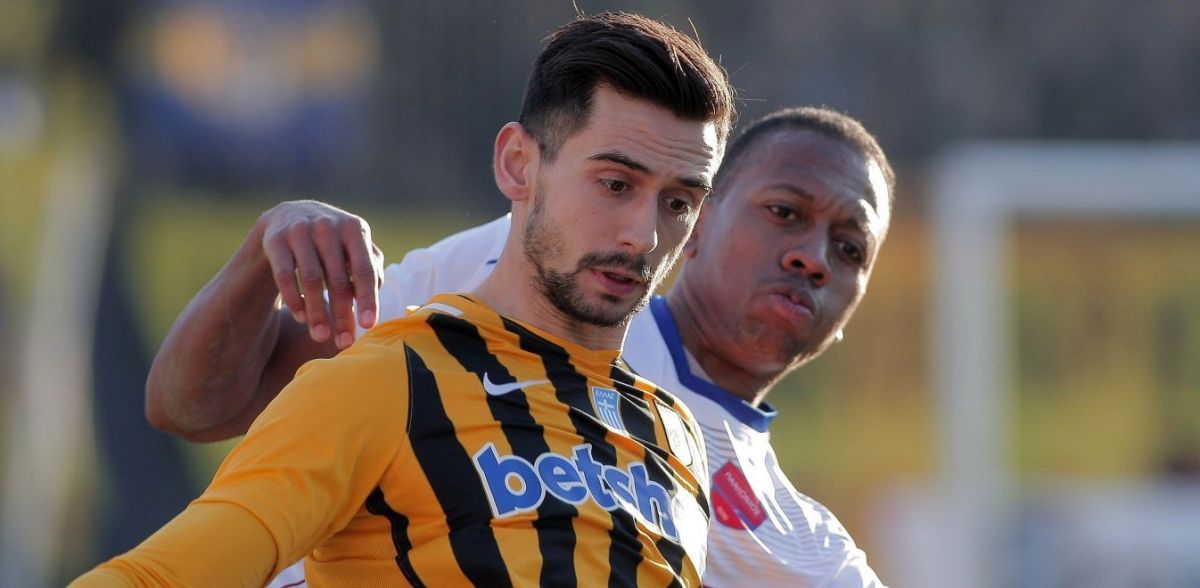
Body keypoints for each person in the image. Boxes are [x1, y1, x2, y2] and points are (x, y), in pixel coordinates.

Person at [73, 11, 735, 586]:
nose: (644, 235)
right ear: (517, 165)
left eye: (678, 202)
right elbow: (157, 575)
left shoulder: (676, 435)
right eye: (616, 184)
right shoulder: (386, 381)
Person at [151, 104, 894, 587]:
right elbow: (194, 406)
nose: (812, 257)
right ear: (696, 220)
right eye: (784, 212)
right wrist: (267, 245)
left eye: (850, 248)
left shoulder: (814, 556)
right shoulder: (521, 275)